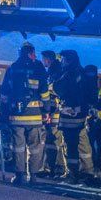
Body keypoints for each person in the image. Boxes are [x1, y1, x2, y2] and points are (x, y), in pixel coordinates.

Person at [0, 43, 49, 186]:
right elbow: (44, 91)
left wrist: (4, 110)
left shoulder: (13, 68)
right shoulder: (38, 67)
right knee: (35, 148)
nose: (35, 56)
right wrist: (46, 110)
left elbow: (4, 91)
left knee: (18, 147)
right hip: (35, 116)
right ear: (30, 54)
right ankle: (33, 176)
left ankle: (19, 176)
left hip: (16, 116)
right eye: (33, 53)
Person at [55, 51, 97, 180]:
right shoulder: (83, 73)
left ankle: (72, 173)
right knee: (82, 145)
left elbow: (59, 89)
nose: (61, 61)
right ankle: (86, 171)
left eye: (63, 59)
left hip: (69, 118)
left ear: (68, 60)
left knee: (70, 146)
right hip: (81, 117)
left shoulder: (69, 74)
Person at [38, 50, 68, 179]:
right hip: (52, 112)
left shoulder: (55, 73)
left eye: (43, 59)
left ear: (48, 59)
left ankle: (59, 168)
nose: (42, 61)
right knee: (50, 141)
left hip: (54, 113)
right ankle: (50, 167)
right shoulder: (53, 71)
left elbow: (53, 94)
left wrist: (49, 111)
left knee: (57, 141)